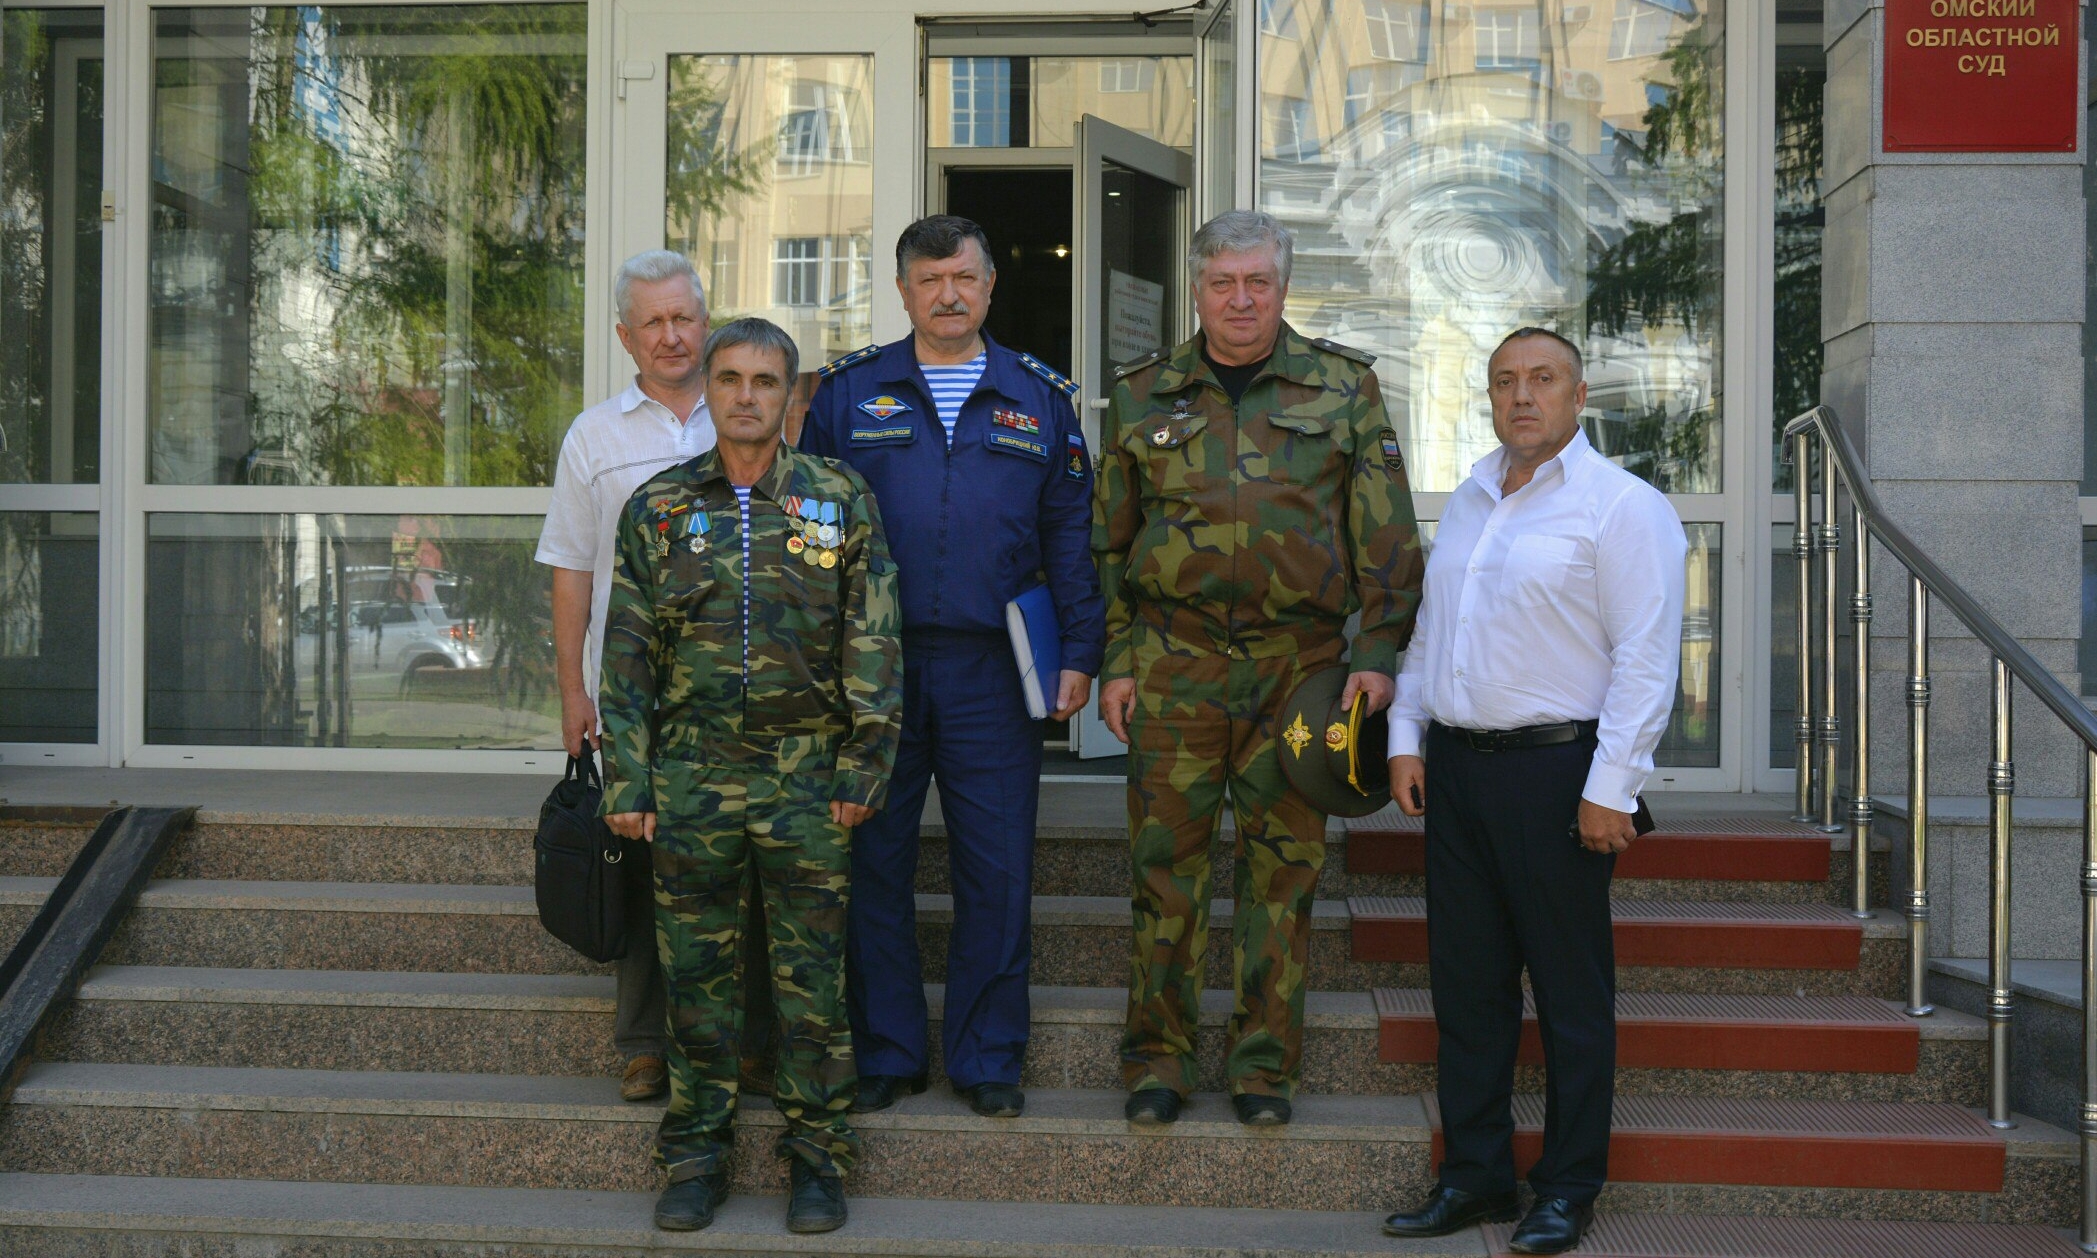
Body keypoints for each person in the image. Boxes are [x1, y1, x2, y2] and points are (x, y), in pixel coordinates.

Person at [1093, 210, 1423, 1128]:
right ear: (1197, 289)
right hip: (1174, 667)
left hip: (1299, 673)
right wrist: (1116, 659)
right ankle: (1157, 1063)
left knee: (1282, 877)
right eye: (1222, 283)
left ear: (1282, 288)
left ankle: (1263, 1069)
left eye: (1257, 283)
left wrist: (1377, 651)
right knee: (1163, 874)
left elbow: (1386, 534)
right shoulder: (1141, 393)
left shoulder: (1343, 387)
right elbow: (1105, 543)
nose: (1240, 300)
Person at [1380, 327, 1686, 1256]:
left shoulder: (1621, 507)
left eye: (1542, 379)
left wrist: (1611, 788)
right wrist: (1406, 737)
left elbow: (1645, 661)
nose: (1522, 395)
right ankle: (1473, 1177)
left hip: (1558, 774)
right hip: (1458, 771)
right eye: (1505, 381)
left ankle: (1566, 1188)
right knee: (1467, 990)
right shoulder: (1471, 499)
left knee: (1568, 995)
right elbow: (1431, 634)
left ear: (1578, 396)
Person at [598, 317, 902, 1235]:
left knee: (812, 982)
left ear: (790, 396)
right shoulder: (658, 508)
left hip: (808, 779)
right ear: (709, 387)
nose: (744, 396)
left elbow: (874, 639)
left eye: (764, 381)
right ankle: (696, 1157)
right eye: (728, 378)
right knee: (697, 980)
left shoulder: (837, 499)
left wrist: (864, 764)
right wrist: (628, 780)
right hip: (691, 779)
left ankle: (818, 1160)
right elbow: (626, 656)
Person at [800, 215, 1103, 1120]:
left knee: (997, 871)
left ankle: (988, 1057)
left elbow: (1070, 536)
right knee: (873, 863)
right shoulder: (848, 395)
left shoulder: (1040, 398)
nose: (948, 295)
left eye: (963, 278)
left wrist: (1080, 652)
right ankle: (886, 1052)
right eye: (929, 280)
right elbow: (808, 534)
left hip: (992, 672)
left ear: (989, 284)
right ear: (902, 291)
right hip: (872, 671)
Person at [536, 249, 714, 1104]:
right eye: (653, 322)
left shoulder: (749, 408)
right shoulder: (594, 436)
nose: (671, 335)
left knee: (743, 867)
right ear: (624, 336)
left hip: (744, 695)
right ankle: (646, 1044)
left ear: (705, 322)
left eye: (683, 318)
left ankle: (746, 1041)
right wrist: (574, 692)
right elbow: (571, 570)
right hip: (634, 696)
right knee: (640, 863)